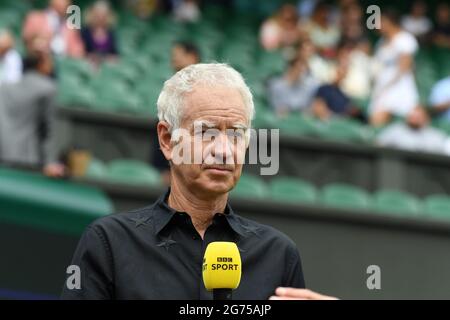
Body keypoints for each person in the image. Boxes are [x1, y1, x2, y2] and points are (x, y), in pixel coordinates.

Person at [60, 63, 312, 299]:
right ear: (167, 140)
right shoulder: (110, 243)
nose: (224, 150)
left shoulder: (278, 254)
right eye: (206, 132)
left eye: (236, 133)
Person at [0, 41, 64, 177]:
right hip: (28, 162)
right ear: (42, 65)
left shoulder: (4, 88)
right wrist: (50, 162)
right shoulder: (48, 88)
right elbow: (48, 130)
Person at [152, 41, 201, 185]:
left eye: (178, 54)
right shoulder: (171, 85)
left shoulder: (203, 86)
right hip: (169, 147)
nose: (174, 58)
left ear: (192, 56)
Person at [369, 9, 419, 127]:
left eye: (379, 22)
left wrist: (387, 87)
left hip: (399, 86)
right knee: (374, 121)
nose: (377, 25)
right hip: (381, 86)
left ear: (389, 22)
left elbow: (405, 67)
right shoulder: (381, 42)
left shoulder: (405, 39)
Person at [376, 106, 450, 154]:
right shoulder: (395, 130)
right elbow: (379, 146)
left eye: (418, 117)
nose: (413, 119)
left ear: (426, 119)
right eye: (412, 116)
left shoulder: (436, 136)